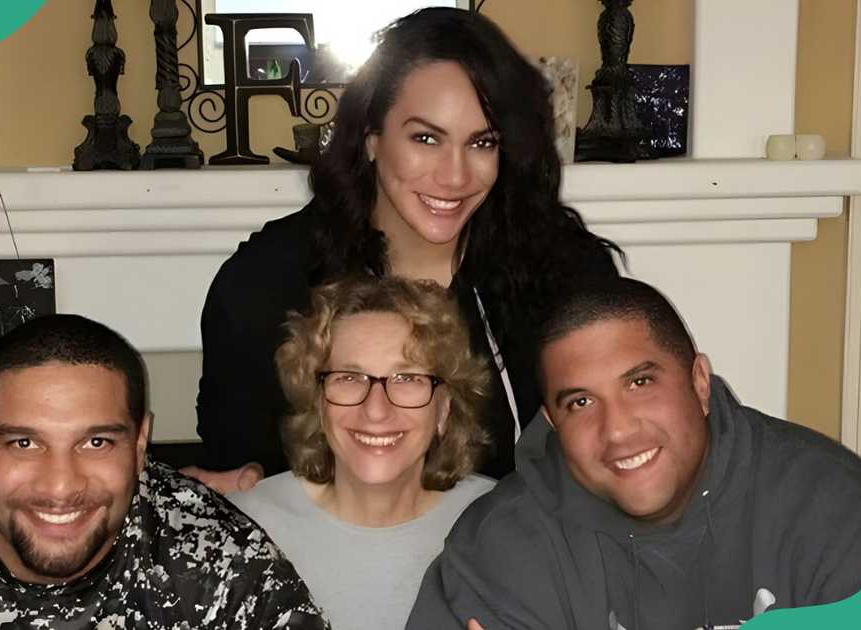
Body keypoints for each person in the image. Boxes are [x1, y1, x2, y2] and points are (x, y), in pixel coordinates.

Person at [190, 7, 621, 493]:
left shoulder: (565, 273)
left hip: (515, 562)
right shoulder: (264, 285)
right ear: (371, 137)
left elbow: (613, 441)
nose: (455, 176)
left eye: (482, 143)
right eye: (425, 138)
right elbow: (242, 485)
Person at [407, 277, 861, 630]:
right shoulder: (500, 546)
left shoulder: (831, 507)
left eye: (640, 382)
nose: (619, 430)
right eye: (581, 402)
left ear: (700, 382)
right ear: (554, 424)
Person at [0, 315, 328, 629]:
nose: (60, 486)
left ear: (141, 445)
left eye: (96, 442)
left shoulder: (222, 564)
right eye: (24, 442)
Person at [229, 276, 496, 630]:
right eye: (348, 377)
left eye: (407, 379)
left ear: (444, 409)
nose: (376, 410)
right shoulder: (246, 529)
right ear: (317, 401)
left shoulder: (500, 525)